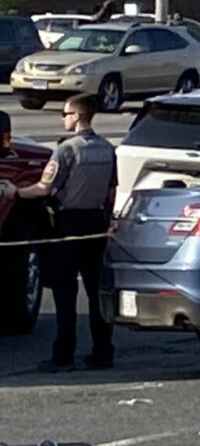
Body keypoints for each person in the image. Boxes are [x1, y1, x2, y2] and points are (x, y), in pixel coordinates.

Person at [1, 94, 117, 371]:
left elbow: (44, 189)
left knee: (65, 294)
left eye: (65, 114)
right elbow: (112, 191)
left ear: (77, 116)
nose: (62, 118)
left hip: (69, 225)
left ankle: (63, 356)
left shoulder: (66, 150)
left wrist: (16, 191)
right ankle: (102, 352)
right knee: (96, 292)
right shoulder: (107, 148)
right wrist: (108, 222)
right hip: (96, 225)